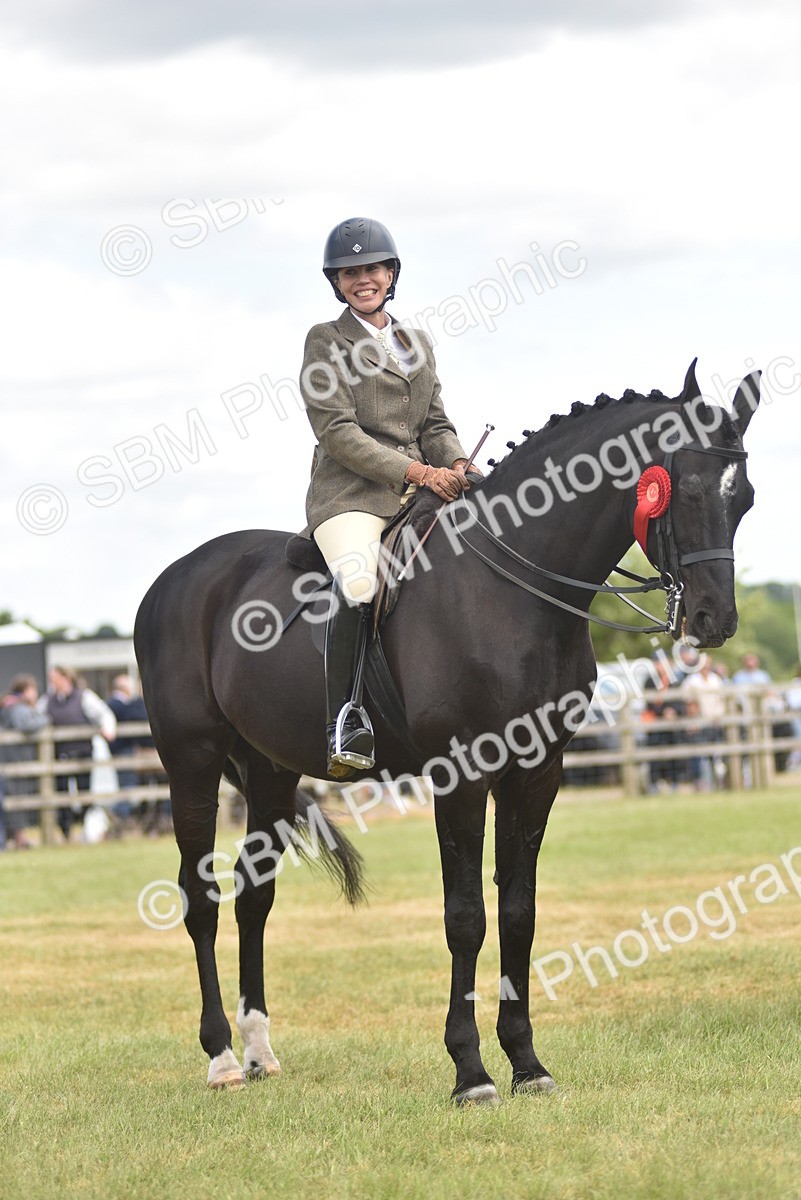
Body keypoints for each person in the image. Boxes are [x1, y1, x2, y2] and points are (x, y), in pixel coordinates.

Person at [299, 217, 475, 777]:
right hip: (351, 494)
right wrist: (420, 473)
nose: (363, 280)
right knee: (358, 581)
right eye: (350, 273)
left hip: (423, 485)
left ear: (390, 273)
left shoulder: (415, 343)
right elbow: (338, 433)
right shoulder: (326, 341)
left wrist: (455, 461)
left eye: (371, 269)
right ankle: (344, 720)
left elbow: (436, 421)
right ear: (337, 282)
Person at [42, 666, 116, 840]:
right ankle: (66, 832)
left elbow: (104, 714)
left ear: (65, 678)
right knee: (61, 794)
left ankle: (85, 830)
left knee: (84, 793)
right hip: (59, 754)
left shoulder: (84, 696)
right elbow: (39, 717)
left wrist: (108, 729)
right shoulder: (48, 700)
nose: (52, 682)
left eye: (54, 678)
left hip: (81, 753)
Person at [0, 675, 50, 849]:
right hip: (16, 758)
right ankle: (19, 839)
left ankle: (16, 838)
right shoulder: (17, 708)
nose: (35, 694)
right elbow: (25, 725)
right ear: (24, 691)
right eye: (32, 690)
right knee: (18, 797)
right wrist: (46, 719)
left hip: (11, 759)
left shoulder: (9, 705)